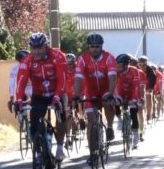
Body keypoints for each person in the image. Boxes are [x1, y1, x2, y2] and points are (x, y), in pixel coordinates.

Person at [15, 33, 67, 161]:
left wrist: (56, 97)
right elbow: (21, 81)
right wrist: (19, 99)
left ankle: (60, 147)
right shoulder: (27, 61)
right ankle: (39, 153)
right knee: (34, 125)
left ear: (46, 47)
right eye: (33, 48)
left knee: (62, 116)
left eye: (39, 48)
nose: (36, 51)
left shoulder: (58, 56)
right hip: (39, 95)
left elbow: (62, 79)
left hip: (57, 92)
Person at [74, 33, 117, 145]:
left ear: (101, 46)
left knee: (108, 103)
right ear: (88, 47)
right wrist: (77, 95)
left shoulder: (109, 58)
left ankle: (109, 126)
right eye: (92, 46)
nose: (94, 49)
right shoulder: (82, 59)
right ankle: (93, 151)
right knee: (91, 122)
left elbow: (112, 77)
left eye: (97, 46)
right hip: (91, 91)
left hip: (106, 89)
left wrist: (111, 93)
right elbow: (78, 79)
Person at [115, 54, 141, 148]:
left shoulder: (134, 71)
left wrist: (134, 99)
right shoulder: (116, 72)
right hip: (120, 93)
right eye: (116, 65)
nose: (117, 67)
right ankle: (119, 119)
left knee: (133, 113)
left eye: (119, 66)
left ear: (126, 65)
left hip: (132, 93)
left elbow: (136, 85)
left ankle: (135, 134)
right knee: (114, 102)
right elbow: (113, 85)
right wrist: (116, 97)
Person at [129, 56, 146, 141]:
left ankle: (141, 132)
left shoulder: (140, 73)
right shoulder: (125, 72)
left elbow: (142, 88)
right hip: (129, 96)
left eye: (134, 64)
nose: (132, 65)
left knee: (139, 113)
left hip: (138, 95)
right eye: (130, 63)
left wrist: (141, 98)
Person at [138, 56, 156, 123]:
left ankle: (148, 115)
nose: (142, 66)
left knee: (148, 97)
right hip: (139, 86)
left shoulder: (150, 69)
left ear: (146, 63)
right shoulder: (136, 69)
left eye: (144, 64)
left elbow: (153, 79)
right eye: (140, 64)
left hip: (148, 86)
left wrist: (151, 88)